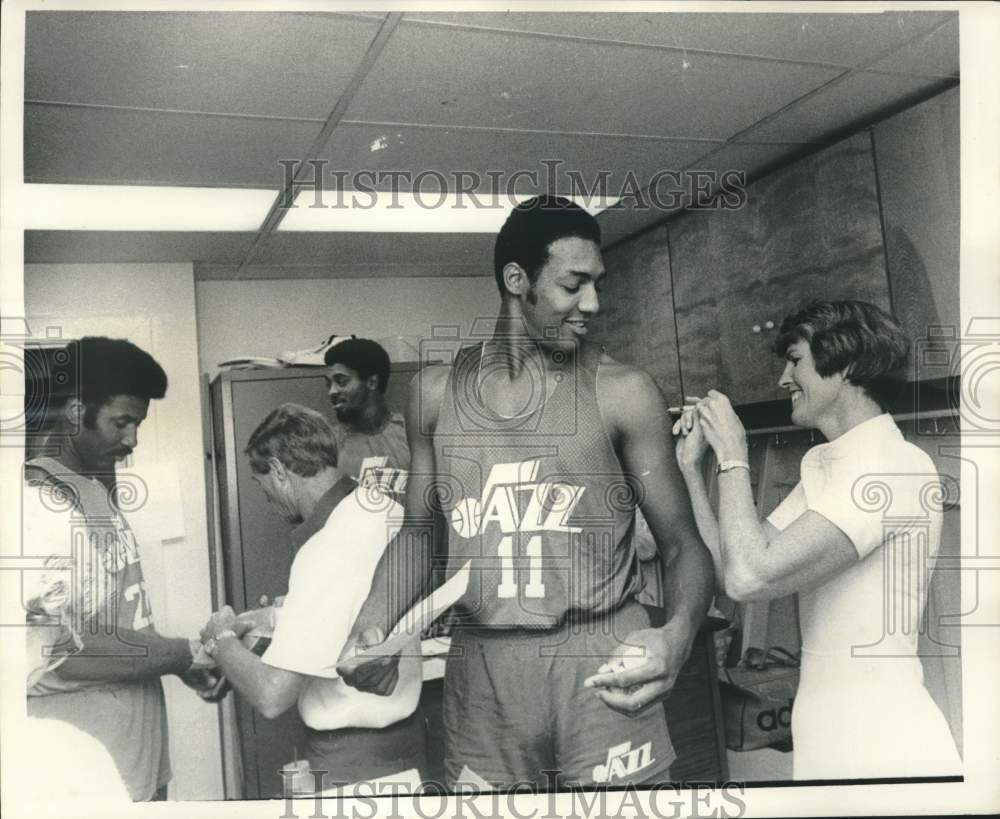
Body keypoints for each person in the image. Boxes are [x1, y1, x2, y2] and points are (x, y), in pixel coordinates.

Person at [337, 195, 715, 789]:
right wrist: (372, 623)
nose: (593, 304)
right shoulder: (434, 394)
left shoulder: (622, 392)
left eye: (597, 284)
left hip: (599, 657)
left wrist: (678, 634)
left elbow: (684, 545)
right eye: (574, 285)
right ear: (517, 280)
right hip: (483, 673)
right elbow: (418, 533)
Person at [673, 300, 961, 779]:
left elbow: (750, 577)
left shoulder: (891, 466)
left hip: (882, 734)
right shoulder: (831, 465)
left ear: (845, 365)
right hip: (826, 724)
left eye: (795, 360)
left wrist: (734, 453)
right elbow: (731, 571)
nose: (784, 379)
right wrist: (689, 470)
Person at [23, 336, 223, 801]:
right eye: (122, 421)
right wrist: (180, 654)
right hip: (88, 776)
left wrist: (177, 662)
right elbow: (60, 650)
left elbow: (117, 622)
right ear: (75, 412)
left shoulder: (90, 490)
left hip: (138, 758)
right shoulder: (40, 504)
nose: (132, 439)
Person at [199, 403, 426, 790]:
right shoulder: (383, 510)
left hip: (351, 768)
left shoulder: (327, 546)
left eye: (261, 483)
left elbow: (272, 695)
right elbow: (354, 606)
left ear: (278, 471)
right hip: (403, 753)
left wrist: (220, 638)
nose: (267, 498)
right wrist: (271, 618)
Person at [324, 337, 409, 496]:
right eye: (328, 384)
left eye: (341, 381)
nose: (332, 392)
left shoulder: (410, 434)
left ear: (371, 382)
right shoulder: (329, 447)